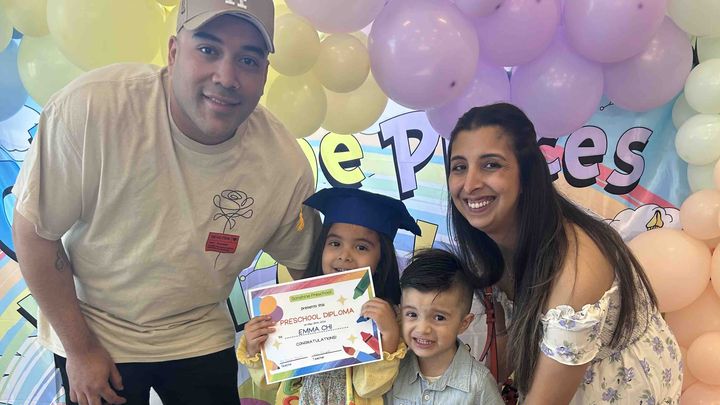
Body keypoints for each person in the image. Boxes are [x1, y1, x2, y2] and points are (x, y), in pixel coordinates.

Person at [11, 1, 321, 404]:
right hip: (96, 328)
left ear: (264, 73)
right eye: (208, 50)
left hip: (199, 330)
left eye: (248, 59)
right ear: (174, 53)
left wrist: (341, 331)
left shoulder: (284, 163)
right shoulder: (93, 109)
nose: (226, 77)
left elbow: (309, 267)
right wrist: (80, 350)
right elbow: (35, 233)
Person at [445, 103, 683, 404]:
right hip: (554, 375)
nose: (470, 184)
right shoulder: (489, 241)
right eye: (459, 167)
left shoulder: (576, 268)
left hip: (621, 388)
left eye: (491, 165)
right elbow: (507, 350)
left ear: (526, 174)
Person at [237, 187, 421, 405]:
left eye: (361, 247)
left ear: (381, 260)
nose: (345, 255)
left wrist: (389, 335)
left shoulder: (385, 316)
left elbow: (369, 387)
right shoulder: (290, 307)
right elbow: (269, 383)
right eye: (335, 243)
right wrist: (255, 346)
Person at [386, 248, 504, 405]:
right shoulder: (392, 372)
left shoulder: (479, 384)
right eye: (412, 314)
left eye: (439, 317)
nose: (422, 329)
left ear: (464, 323)